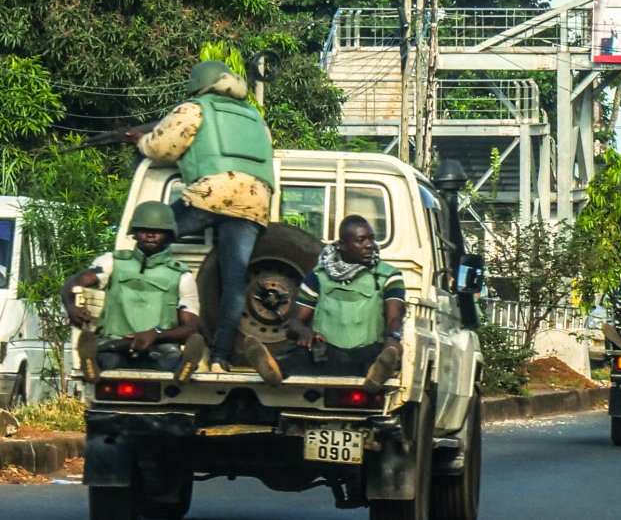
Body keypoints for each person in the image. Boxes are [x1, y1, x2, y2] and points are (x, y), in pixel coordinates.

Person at [130, 60, 275, 372]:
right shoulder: (256, 117)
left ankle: (153, 328)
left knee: (151, 237)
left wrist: (140, 140)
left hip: (213, 191)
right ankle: (220, 357)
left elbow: (162, 147)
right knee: (234, 281)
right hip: (256, 201)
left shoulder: (196, 107)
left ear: (199, 86)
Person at [242, 216, 407, 393]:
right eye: (361, 240)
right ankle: (274, 370)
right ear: (343, 245)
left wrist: (392, 342)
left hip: (366, 353)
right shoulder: (318, 276)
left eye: (372, 239)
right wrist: (303, 331)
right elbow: (295, 323)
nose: (370, 245)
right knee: (299, 354)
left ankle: (377, 374)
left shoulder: (388, 275)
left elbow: (394, 318)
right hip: (326, 354)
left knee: (377, 354)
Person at [62, 201, 207, 383]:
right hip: (116, 344)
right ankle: (91, 363)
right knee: (108, 360)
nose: (150, 234)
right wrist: (71, 305)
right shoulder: (112, 262)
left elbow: (191, 328)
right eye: (144, 229)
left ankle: (185, 366)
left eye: (158, 230)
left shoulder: (181, 276)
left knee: (170, 361)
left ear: (169, 235)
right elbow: (74, 282)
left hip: (159, 347)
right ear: (135, 232)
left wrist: (155, 334)